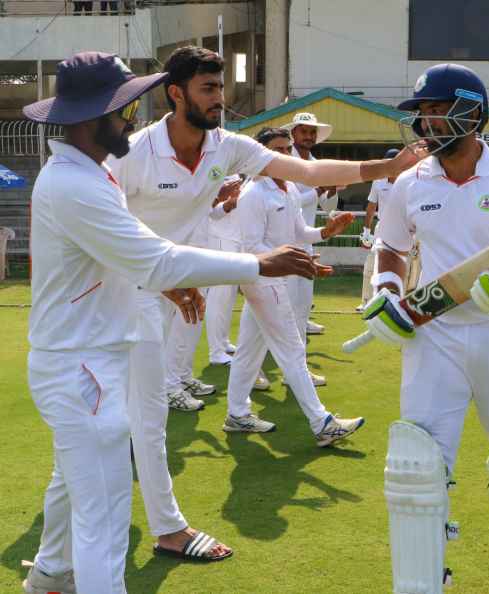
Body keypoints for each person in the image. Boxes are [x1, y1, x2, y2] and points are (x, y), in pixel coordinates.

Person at [20, 51, 324, 594]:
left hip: (89, 357)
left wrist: (170, 278)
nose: (131, 121)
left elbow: (138, 258)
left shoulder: (84, 173)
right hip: (81, 365)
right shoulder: (76, 184)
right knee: (107, 517)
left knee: (75, 481)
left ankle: (47, 575)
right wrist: (261, 263)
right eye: (123, 111)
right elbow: (155, 259)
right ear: (92, 119)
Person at [107, 46, 418, 563]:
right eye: (209, 89)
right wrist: (161, 280)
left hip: (167, 287)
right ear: (176, 93)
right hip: (121, 291)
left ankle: (68, 544)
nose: (221, 100)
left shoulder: (226, 147)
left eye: (222, 88)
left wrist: (387, 164)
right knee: (138, 417)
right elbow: (111, 230)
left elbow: (311, 174)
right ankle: (166, 529)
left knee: (122, 418)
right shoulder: (136, 152)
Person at [367, 63, 489, 592]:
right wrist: (386, 290)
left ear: (472, 113)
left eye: (438, 110)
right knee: (422, 453)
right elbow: (389, 248)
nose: (428, 123)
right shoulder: (409, 182)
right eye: (423, 113)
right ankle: (428, 559)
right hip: (434, 333)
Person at [223, 126, 364, 441]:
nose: (285, 155)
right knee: (292, 349)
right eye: (278, 150)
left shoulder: (287, 189)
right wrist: (297, 260)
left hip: (279, 279)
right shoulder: (252, 194)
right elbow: (251, 248)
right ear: (261, 155)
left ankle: (237, 414)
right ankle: (322, 423)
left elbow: (302, 234)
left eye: (287, 149)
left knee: (248, 349)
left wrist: (327, 231)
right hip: (262, 281)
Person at [286, 112, 337, 344]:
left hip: (307, 236)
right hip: (284, 236)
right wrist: (319, 189)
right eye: (304, 131)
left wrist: (333, 189)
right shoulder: (287, 162)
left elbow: (328, 207)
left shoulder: (318, 165)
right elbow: (292, 200)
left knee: (305, 294)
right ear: (293, 133)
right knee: (285, 295)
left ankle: (300, 331)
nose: (308, 136)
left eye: (312, 132)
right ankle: (284, 341)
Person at [205, 176, 243, 365]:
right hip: (220, 240)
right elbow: (210, 212)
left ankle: (224, 342)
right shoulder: (215, 170)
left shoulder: (240, 174)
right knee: (218, 298)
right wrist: (230, 204)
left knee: (228, 297)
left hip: (235, 240)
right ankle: (215, 352)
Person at [358, 147, 400, 310]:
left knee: (405, 265)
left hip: (404, 229)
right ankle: (366, 301)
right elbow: (371, 206)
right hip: (382, 228)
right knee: (371, 265)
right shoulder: (378, 181)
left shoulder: (408, 181)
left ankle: (400, 300)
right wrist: (366, 230)